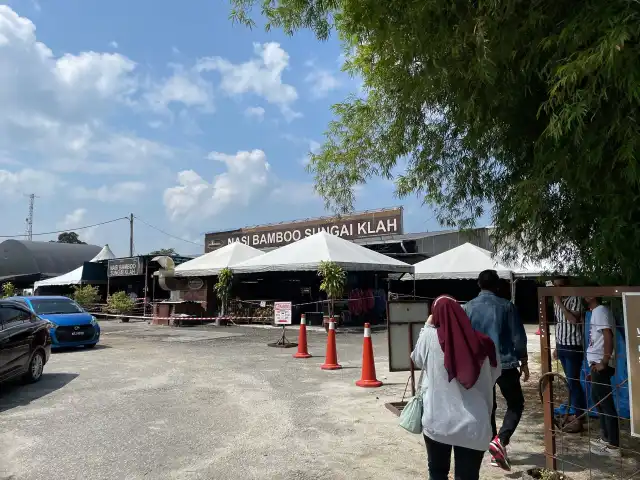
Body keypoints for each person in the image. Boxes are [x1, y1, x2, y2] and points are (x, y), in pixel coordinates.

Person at [411, 295, 501, 480]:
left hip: (437, 422)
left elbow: (417, 359)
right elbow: (494, 375)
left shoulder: (429, 337)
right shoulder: (485, 343)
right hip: (474, 426)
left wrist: (428, 326)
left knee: (437, 473)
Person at [463, 269, 528, 471]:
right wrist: (524, 360)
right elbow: (518, 336)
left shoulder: (467, 308)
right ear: (498, 286)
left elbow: (464, 338)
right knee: (516, 403)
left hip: (481, 365)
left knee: (488, 406)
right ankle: (501, 440)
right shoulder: (507, 306)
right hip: (506, 363)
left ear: (478, 284)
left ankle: (494, 443)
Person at [584, 296, 620, 457]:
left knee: (606, 403)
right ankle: (606, 439)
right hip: (595, 363)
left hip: (600, 363)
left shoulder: (600, 311)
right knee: (598, 399)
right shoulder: (596, 312)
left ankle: (614, 446)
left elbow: (608, 335)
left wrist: (604, 360)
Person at [551, 276, 586, 433]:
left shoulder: (574, 299)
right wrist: (556, 345)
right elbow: (558, 323)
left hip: (573, 345)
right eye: (556, 286)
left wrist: (561, 305)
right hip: (562, 344)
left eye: (562, 285)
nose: (559, 289)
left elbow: (572, 320)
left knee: (574, 382)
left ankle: (579, 418)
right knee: (569, 383)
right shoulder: (556, 300)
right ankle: (576, 413)